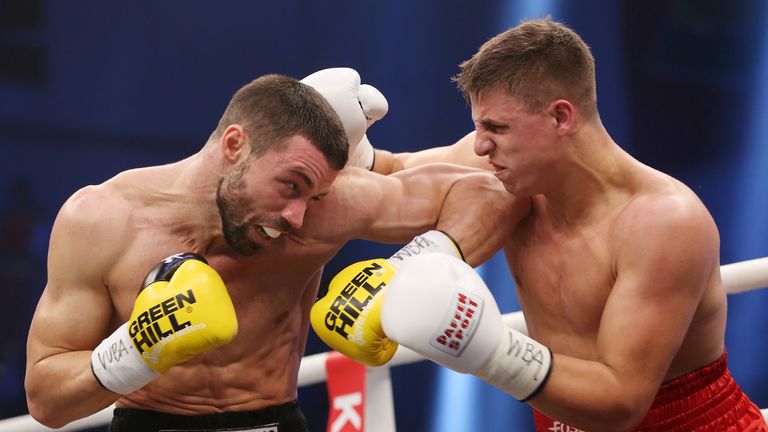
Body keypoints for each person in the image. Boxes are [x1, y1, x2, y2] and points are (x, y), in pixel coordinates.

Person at [316, 18, 768, 431]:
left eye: (496, 127)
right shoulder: (512, 173)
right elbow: (394, 174)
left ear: (561, 116)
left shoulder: (662, 223)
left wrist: (488, 349)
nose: (479, 147)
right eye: (478, 126)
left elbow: (622, 401)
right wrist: (346, 145)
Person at [23, 71, 527, 431]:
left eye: (315, 196)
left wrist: (410, 266)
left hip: (275, 420)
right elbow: (46, 399)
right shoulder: (103, 220)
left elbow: (488, 195)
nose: (297, 217)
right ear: (235, 144)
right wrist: (136, 349)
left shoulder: (322, 208)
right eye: (291, 185)